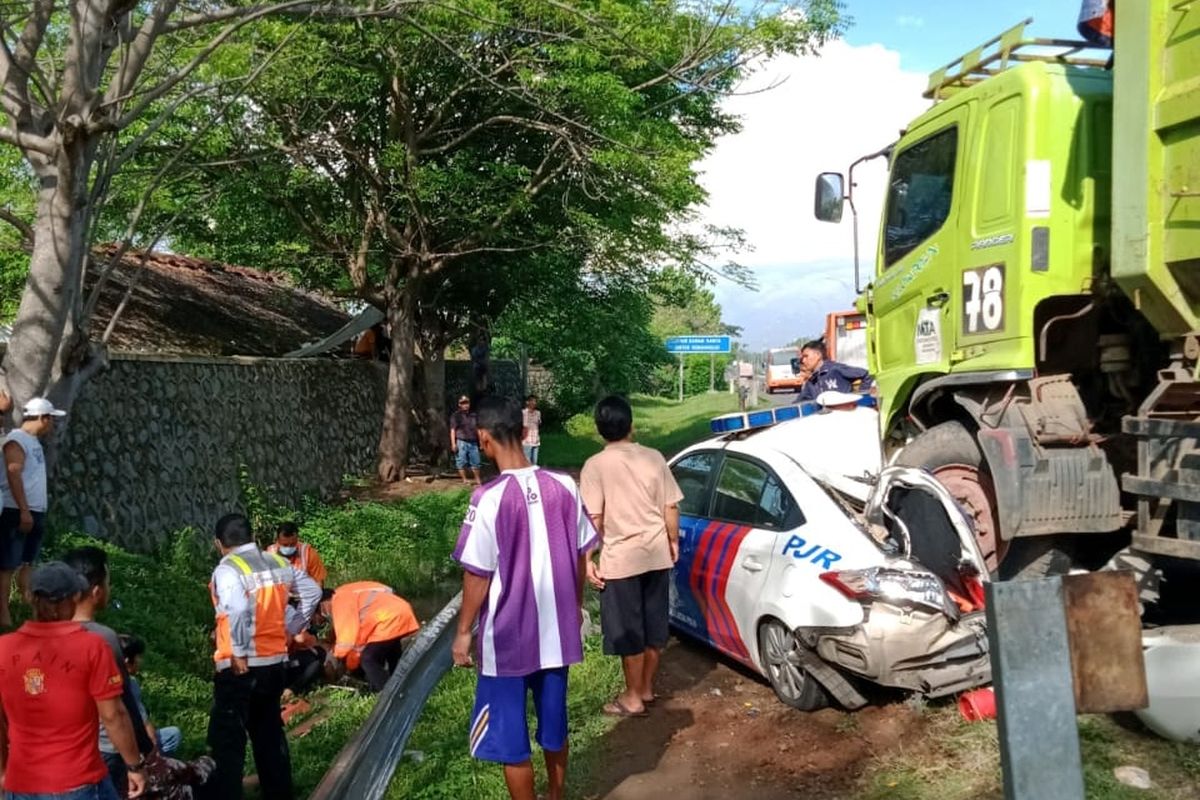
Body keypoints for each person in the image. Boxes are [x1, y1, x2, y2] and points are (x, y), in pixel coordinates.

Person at [452, 396, 598, 800]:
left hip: (506, 642)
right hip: (557, 634)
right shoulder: (566, 485)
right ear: (522, 431)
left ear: (483, 439)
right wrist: (575, 608)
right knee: (554, 727)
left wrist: (464, 633)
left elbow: (477, 574)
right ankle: (556, 794)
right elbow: (582, 557)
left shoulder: (487, 499)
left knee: (510, 739)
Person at [0, 561, 146, 800]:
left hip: (22, 782)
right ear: (74, 598)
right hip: (78, 780)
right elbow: (113, 715)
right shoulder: (91, 647)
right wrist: (135, 766)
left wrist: (3, 771)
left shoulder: (4, 648)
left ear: (28, 596)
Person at [580, 395, 682, 718]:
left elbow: (594, 518)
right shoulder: (653, 458)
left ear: (599, 431)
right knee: (654, 627)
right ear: (631, 426)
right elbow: (671, 506)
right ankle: (647, 688)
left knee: (629, 632)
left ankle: (633, 697)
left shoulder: (595, 466)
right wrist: (673, 540)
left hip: (621, 559)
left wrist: (587, 559)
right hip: (656, 555)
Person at [203, 514, 295, 800]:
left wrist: (240, 652)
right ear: (251, 536)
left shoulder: (228, 568)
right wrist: (290, 630)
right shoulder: (278, 562)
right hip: (274, 664)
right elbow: (311, 591)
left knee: (228, 740)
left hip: (240, 668)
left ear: (219, 543)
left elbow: (239, 609)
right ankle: (280, 793)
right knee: (268, 733)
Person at [62, 546, 157, 795]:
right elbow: (119, 708)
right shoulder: (103, 638)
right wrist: (138, 758)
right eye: (108, 582)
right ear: (96, 591)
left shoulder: (43, 636)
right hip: (104, 748)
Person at [0, 397, 65, 628]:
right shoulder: (17, 440)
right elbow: (13, 473)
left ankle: (26, 606)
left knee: (28, 561)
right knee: (7, 564)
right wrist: (24, 511)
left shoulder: (33, 441)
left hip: (35, 510)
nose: (52, 426)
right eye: (51, 420)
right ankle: (3, 613)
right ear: (42, 418)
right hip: (17, 510)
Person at [318, 582, 419, 692]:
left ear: (324, 603)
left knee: (368, 659)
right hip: (397, 610)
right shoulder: (346, 592)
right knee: (392, 653)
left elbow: (347, 642)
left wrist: (339, 659)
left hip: (387, 618)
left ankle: (389, 695)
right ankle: (405, 684)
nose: (324, 614)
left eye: (320, 611)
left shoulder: (339, 601)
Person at [119, 635, 182, 756]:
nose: (140, 661)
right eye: (138, 657)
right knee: (172, 735)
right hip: (127, 744)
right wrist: (154, 752)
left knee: (172, 734)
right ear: (127, 661)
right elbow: (145, 724)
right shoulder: (130, 684)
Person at [794, 340, 874, 403]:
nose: (803, 361)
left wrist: (859, 398)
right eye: (802, 358)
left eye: (806, 356)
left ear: (818, 355)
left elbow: (866, 374)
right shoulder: (811, 383)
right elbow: (798, 403)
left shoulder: (835, 370)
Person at [266, 522, 327, 587]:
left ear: (297, 540)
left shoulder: (308, 553)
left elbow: (319, 581)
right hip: (279, 593)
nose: (289, 547)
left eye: (292, 544)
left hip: (304, 593)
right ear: (277, 541)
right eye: (285, 545)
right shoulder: (270, 554)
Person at [450, 395, 482, 486]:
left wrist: (481, 442)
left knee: (476, 462)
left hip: (473, 442)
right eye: (463, 403)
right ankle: (465, 480)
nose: (465, 405)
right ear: (459, 404)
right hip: (461, 442)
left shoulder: (474, 415)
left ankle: (478, 480)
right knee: (461, 461)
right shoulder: (455, 416)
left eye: (466, 403)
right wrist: (453, 443)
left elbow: (478, 429)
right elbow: (452, 430)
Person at [521, 394, 543, 466]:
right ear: (527, 402)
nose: (534, 403)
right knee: (527, 462)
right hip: (526, 441)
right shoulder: (523, 413)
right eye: (532, 401)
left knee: (535, 462)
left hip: (535, 440)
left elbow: (539, 423)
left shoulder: (538, 413)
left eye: (535, 401)